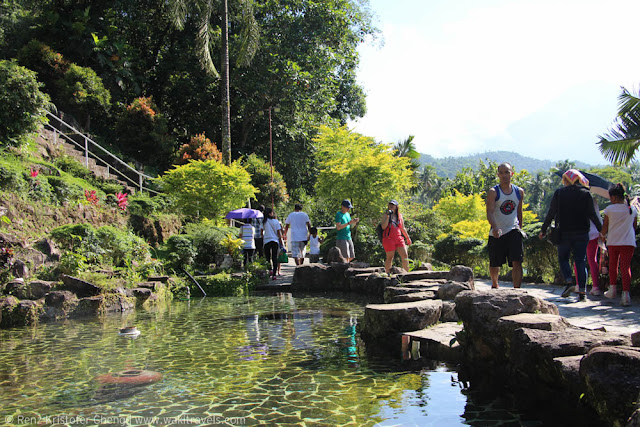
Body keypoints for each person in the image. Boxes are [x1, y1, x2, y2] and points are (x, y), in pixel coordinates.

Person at [539, 169, 602, 301]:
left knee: (563, 259)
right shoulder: (586, 194)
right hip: (582, 233)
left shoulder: (559, 193)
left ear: (567, 180)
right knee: (580, 261)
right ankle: (582, 292)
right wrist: (602, 230)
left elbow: (551, 212)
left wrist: (543, 229)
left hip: (564, 233)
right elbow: (592, 215)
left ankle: (569, 281)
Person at [486, 162, 525, 289]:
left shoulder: (519, 192)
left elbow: (519, 211)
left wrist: (521, 228)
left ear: (512, 174)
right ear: (498, 175)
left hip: (513, 229)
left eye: (507, 172)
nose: (504, 175)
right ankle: (495, 284)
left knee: (517, 261)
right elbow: (490, 212)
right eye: (501, 173)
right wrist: (495, 226)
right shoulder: (493, 192)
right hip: (497, 231)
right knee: (495, 262)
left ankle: (517, 289)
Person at [600, 183, 637, 306]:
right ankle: (626, 295)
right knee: (625, 267)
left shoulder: (610, 209)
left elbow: (605, 227)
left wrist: (602, 236)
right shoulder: (632, 210)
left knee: (613, 265)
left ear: (614, 197)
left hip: (614, 241)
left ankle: (612, 289)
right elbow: (634, 227)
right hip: (628, 242)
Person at [381, 200, 412, 273]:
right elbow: (383, 227)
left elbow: (402, 228)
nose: (391, 206)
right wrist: (388, 216)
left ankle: (407, 274)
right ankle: (387, 274)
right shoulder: (385, 215)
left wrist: (407, 238)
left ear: (396, 206)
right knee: (390, 257)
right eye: (390, 204)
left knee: (405, 256)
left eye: (393, 205)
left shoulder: (399, 215)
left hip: (398, 238)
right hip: (388, 238)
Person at [262, 207, 284, 280]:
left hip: (266, 241)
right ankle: (274, 275)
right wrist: (281, 241)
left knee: (268, 257)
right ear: (270, 213)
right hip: (275, 241)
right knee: (274, 257)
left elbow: (261, 231)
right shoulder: (276, 221)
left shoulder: (264, 221)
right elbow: (279, 232)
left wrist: (263, 237)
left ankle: (270, 270)